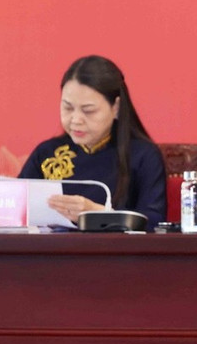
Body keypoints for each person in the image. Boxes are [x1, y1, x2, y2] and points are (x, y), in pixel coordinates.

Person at [19, 55, 167, 230]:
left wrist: (99, 214)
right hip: (52, 247)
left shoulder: (143, 156)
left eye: (88, 111)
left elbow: (155, 222)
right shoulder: (46, 153)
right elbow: (14, 210)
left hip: (112, 248)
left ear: (116, 107)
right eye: (67, 107)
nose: (76, 119)